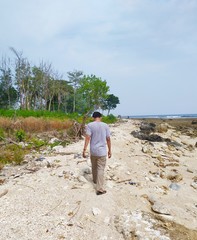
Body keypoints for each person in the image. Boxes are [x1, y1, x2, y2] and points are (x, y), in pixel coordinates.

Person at [83, 111, 112, 195]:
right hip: (102, 151)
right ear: (101, 117)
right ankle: (99, 188)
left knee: (94, 166)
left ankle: (95, 180)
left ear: (93, 117)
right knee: (100, 168)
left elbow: (87, 137)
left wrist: (84, 149)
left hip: (93, 150)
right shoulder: (105, 125)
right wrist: (110, 150)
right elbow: (108, 139)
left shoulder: (90, 125)